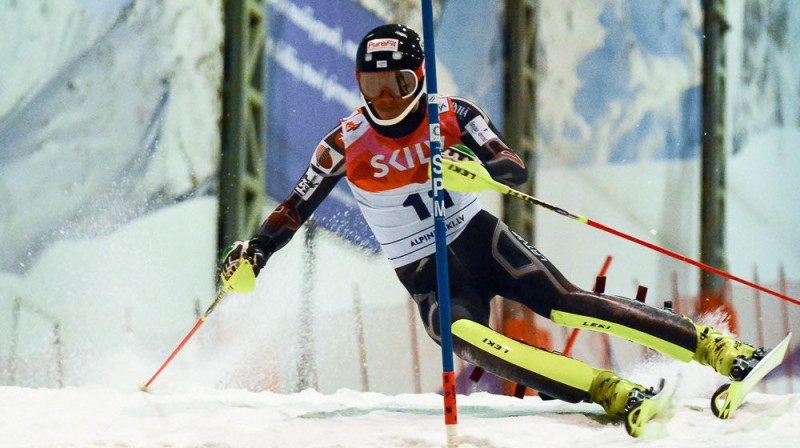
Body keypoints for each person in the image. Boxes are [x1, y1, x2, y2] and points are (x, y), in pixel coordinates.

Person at [221, 24, 762, 417]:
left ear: (420, 79)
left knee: (568, 305)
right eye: (372, 88)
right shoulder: (344, 142)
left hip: (480, 240)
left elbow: (511, 165)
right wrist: (256, 252)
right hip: (426, 272)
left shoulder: (451, 115)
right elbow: (294, 207)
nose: (385, 102)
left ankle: (718, 349)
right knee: (466, 337)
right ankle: (606, 391)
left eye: (399, 86)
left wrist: (474, 170)